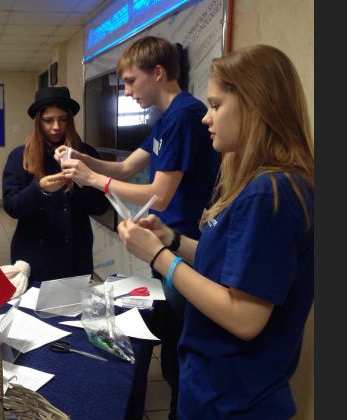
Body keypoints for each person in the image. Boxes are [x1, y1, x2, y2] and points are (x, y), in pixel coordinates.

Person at [117, 44, 314, 419]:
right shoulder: (256, 185)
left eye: (216, 106)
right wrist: (171, 239)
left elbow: (245, 318)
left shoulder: (270, 194)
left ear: (255, 107)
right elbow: (229, 264)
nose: (206, 118)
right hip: (214, 388)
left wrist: (159, 257)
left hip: (234, 401)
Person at [56, 35, 220, 419]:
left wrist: (93, 180)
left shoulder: (185, 116)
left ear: (158, 72)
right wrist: (84, 159)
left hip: (186, 246)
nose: (127, 91)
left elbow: (159, 196)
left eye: (131, 81)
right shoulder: (166, 119)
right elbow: (127, 168)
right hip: (166, 241)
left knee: (181, 349)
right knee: (172, 336)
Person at [2, 86, 109, 285]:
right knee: (33, 303)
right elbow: (12, 206)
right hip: (34, 254)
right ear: (38, 122)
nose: (56, 127)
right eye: (48, 120)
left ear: (70, 120)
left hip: (76, 253)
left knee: (76, 303)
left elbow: (101, 207)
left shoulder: (86, 154)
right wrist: (39, 189)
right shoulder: (19, 156)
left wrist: (79, 181)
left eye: (62, 119)